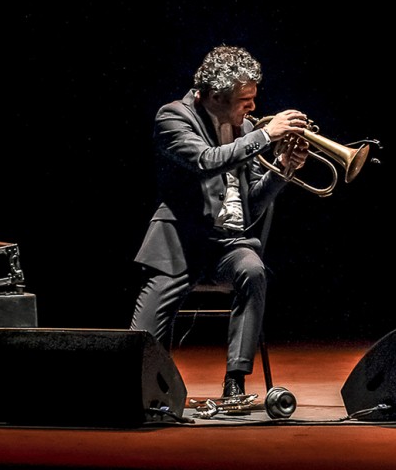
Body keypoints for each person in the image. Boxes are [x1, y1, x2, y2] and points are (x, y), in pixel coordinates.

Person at [129, 44, 312, 399]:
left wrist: (285, 168)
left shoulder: (243, 128)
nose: (253, 108)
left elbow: (252, 205)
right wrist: (264, 136)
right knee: (141, 346)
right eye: (245, 100)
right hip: (178, 245)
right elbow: (205, 161)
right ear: (215, 96)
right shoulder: (173, 117)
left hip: (227, 245)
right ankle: (154, 391)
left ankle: (235, 381)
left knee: (253, 270)